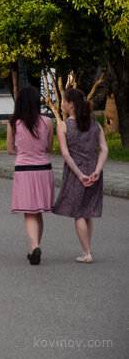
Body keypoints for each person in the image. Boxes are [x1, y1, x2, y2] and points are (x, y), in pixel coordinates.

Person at [52, 88, 108, 264]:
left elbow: (66, 154)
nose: (62, 104)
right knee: (88, 211)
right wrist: (97, 171)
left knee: (79, 213)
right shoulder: (95, 124)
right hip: (94, 169)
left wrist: (80, 174)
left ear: (71, 104)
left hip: (76, 171)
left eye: (63, 101)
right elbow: (104, 149)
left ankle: (87, 253)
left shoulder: (63, 126)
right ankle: (87, 250)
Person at [6, 86, 55, 266]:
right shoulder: (47, 122)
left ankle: (34, 247)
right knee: (39, 211)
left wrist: (23, 149)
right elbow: (49, 148)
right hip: (43, 169)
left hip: (24, 170)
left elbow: (10, 149)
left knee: (29, 211)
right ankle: (34, 247)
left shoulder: (13, 123)